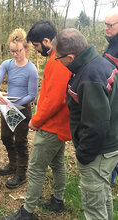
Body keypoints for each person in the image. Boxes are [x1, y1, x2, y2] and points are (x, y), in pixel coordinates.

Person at [2, 20, 71, 219]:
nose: (36, 50)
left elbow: (55, 99)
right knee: (57, 163)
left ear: (47, 40)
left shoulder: (58, 61)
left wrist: (36, 120)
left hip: (52, 127)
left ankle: (27, 212)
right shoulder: (57, 58)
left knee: (35, 169)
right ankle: (57, 201)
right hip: (59, 125)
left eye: (37, 46)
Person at [52, 28, 118, 220]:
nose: (58, 61)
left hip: (98, 152)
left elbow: (97, 125)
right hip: (109, 146)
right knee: (103, 194)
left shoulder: (89, 76)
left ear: (70, 57)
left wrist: (83, 155)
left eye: (59, 58)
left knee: (93, 206)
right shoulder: (99, 63)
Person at [0, 28, 38, 189]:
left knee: (20, 142)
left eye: (18, 51)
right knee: (5, 137)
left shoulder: (31, 69)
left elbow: (32, 95)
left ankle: (21, 173)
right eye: (12, 51)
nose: (15, 54)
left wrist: (16, 103)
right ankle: (13, 163)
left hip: (22, 109)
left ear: (25, 48)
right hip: (8, 108)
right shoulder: (7, 64)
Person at [103, 8, 118, 186]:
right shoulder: (111, 42)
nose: (106, 28)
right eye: (105, 24)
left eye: (110, 25)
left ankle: (109, 178)